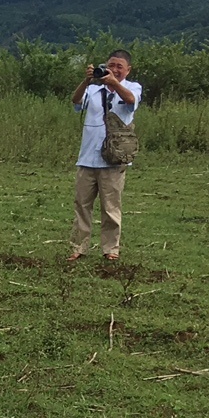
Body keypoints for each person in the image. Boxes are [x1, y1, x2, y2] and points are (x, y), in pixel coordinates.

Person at [68, 50, 142, 261]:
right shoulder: (93, 89)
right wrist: (87, 80)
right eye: (111, 65)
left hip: (113, 159)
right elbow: (75, 101)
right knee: (82, 205)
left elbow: (130, 100)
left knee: (110, 207)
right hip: (87, 157)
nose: (115, 70)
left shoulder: (132, 87)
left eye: (120, 66)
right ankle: (79, 247)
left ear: (128, 70)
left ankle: (111, 249)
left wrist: (114, 83)